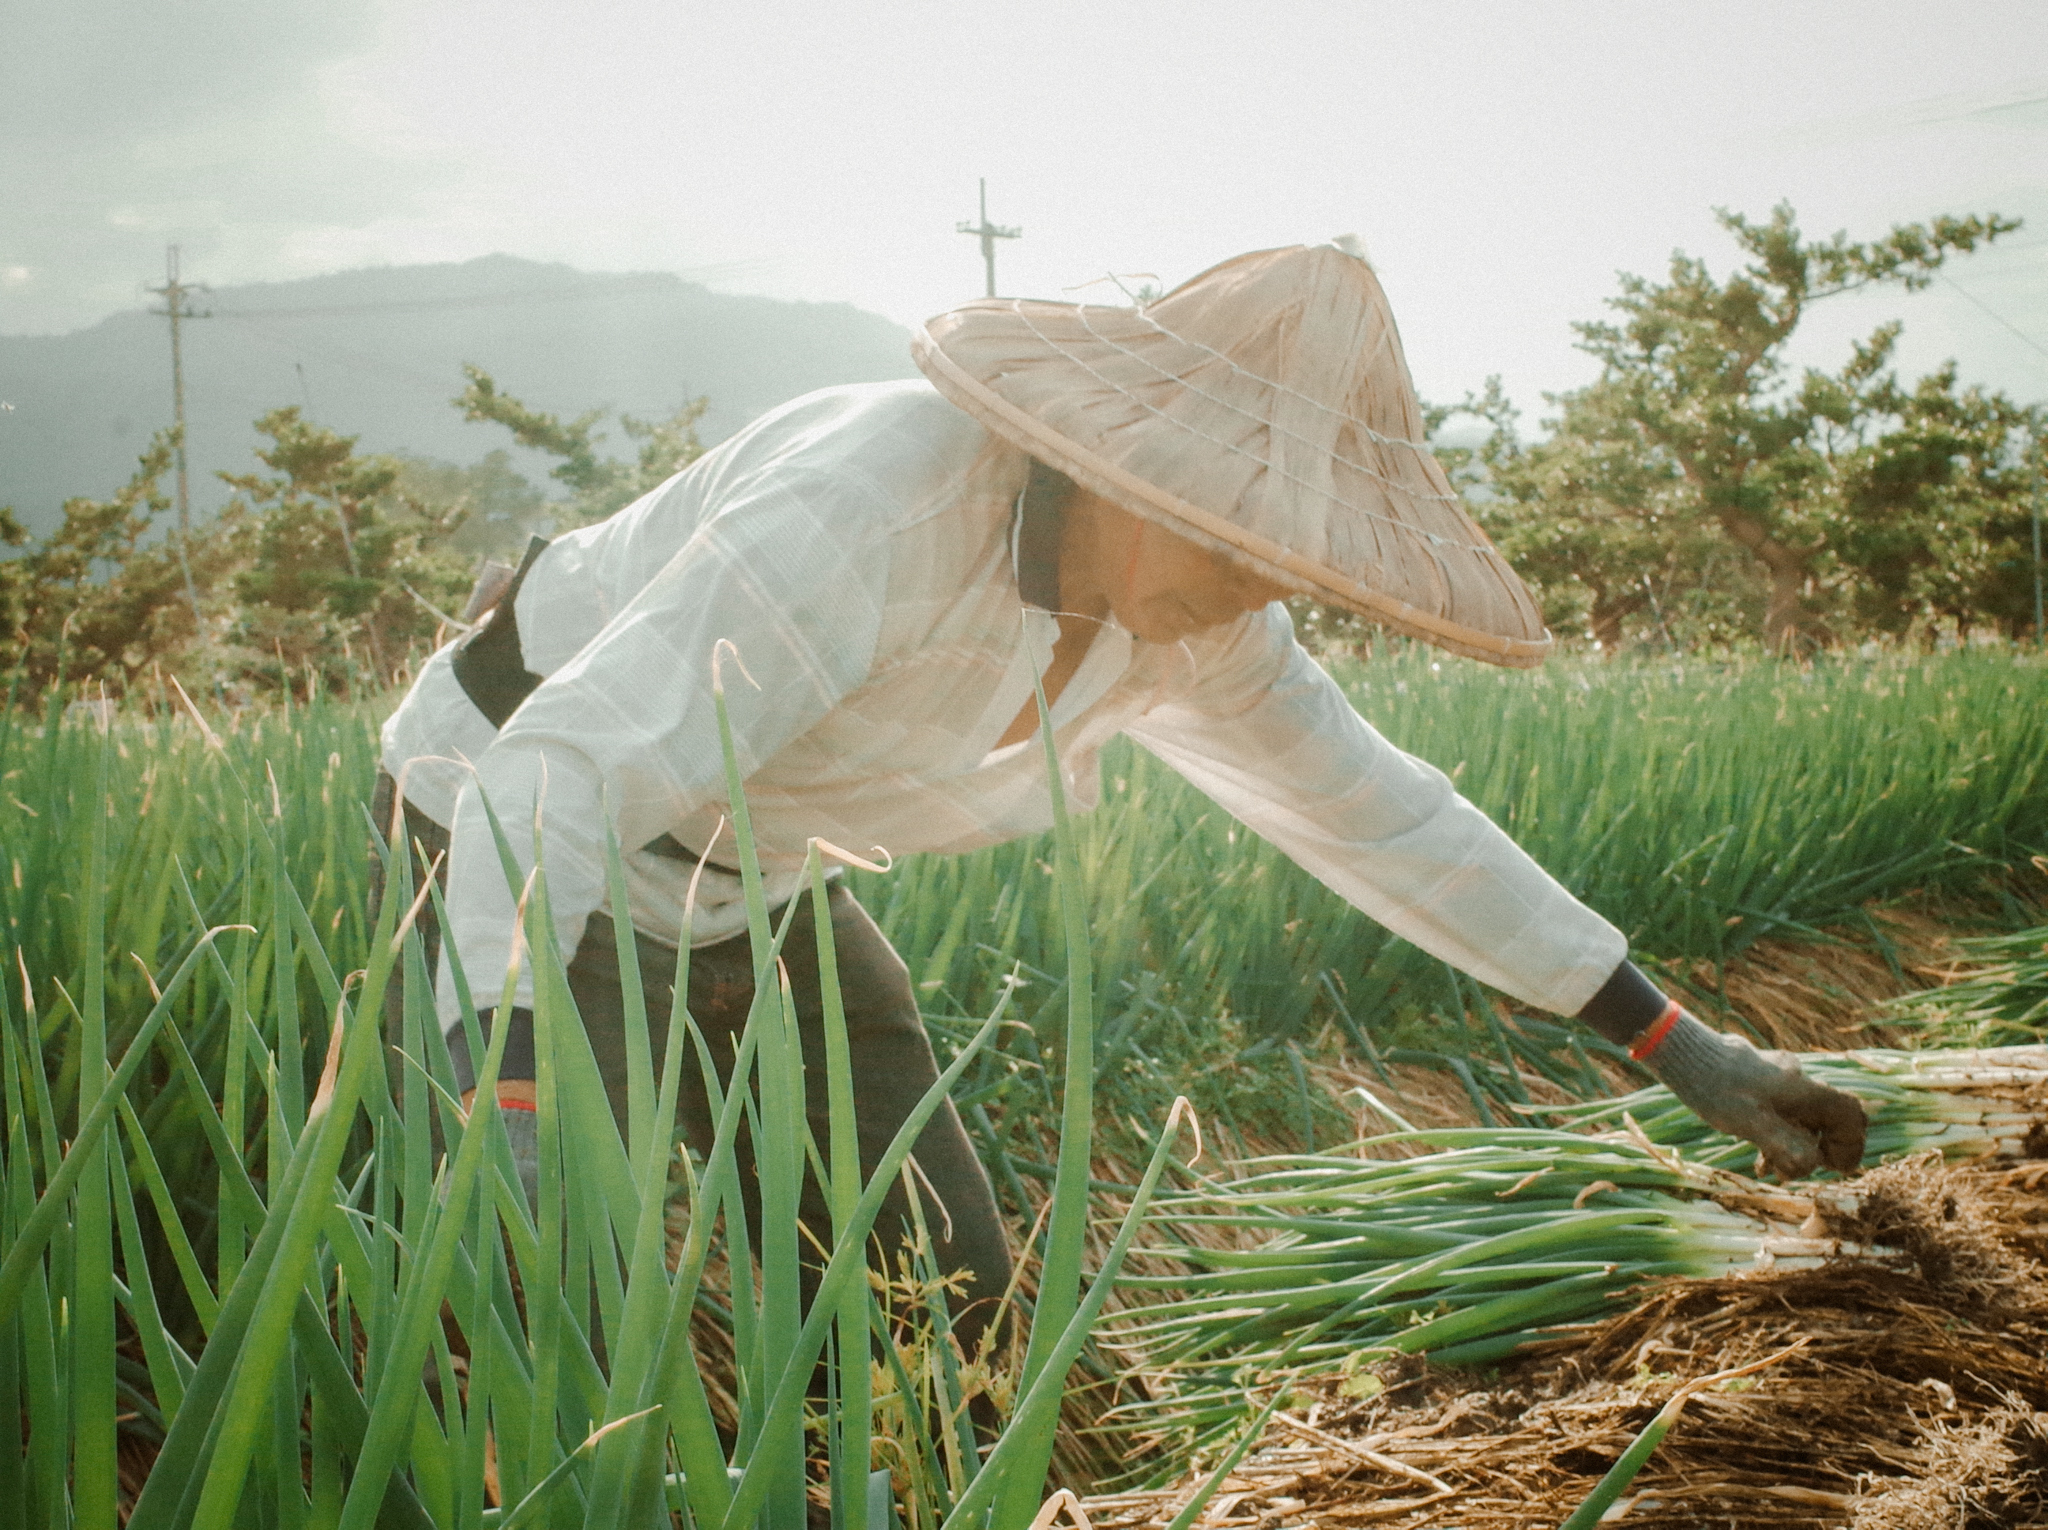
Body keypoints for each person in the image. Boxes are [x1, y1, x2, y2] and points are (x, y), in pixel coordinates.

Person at [376, 241, 1867, 1358]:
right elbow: (561, 777)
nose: (1265, 577)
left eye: (1289, 550)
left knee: (937, 1270)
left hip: (756, 870)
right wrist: (501, 1084)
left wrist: (1678, 1042)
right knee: (552, 1276)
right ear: (1129, 467)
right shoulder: (875, 504)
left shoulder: (1203, 624)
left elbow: (1382, 814)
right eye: (1244, 532)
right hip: (514, 824)